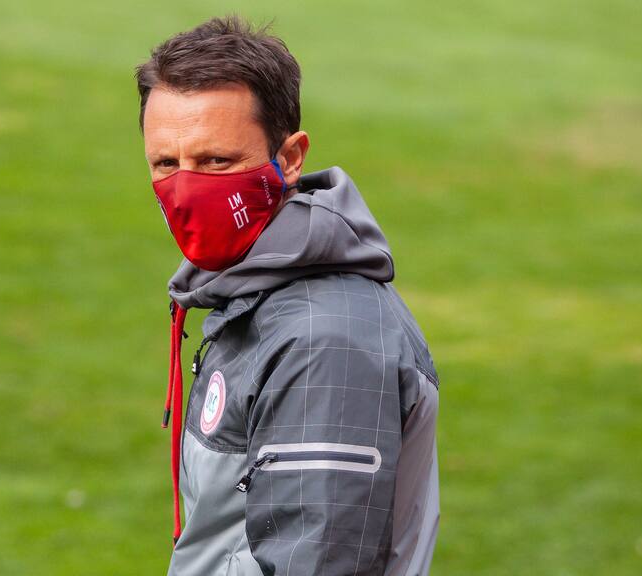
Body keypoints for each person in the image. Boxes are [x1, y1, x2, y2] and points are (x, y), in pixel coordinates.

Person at [135, 15, 440, 576]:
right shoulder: (247, 290)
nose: (185, 188)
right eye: (165, 163)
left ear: (292, 157)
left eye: (216, 162)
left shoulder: (324, 344)